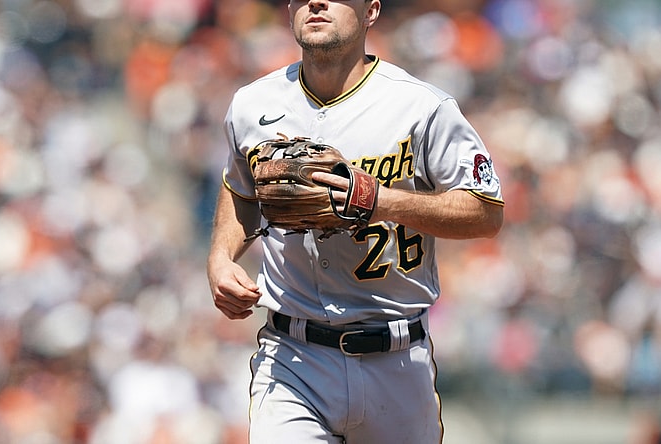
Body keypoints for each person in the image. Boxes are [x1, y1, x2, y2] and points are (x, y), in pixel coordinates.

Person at [206, 0, 504, 442]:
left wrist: (381, 201)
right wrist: (221, 256)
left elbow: (485, 211)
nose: (317, 2)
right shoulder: (253, 104)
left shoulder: (421, 107)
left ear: (372, 11)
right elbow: (241, 189)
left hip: (397, 359)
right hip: (293, 357)